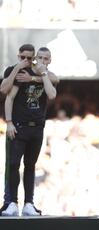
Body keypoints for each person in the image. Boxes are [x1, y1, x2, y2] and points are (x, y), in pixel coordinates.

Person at [1, 46, 57, 216]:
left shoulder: (43, 75)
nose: (41, 61)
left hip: (37, 127)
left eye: (45, 58)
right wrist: (9, 122)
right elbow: (8, 96)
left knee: (30, 166)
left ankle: (29, 203)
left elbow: (52, 93)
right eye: (39, 58)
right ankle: (11, 202)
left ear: (49, 61)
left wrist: (41, 76)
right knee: (13, 164)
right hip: (19, 126)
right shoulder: (21, 72)